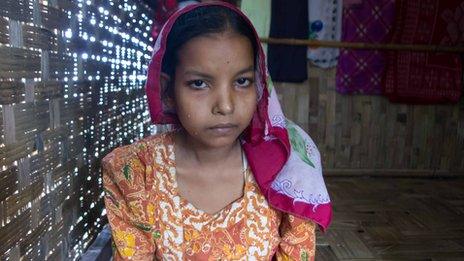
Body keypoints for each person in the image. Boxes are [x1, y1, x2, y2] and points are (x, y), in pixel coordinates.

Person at [102, 2, 332, 260]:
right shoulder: (135, 172)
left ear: (258, 84)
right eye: (199, 83)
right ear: (168, 92)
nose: (225, 105)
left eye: (242, 81)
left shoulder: (289, 170)